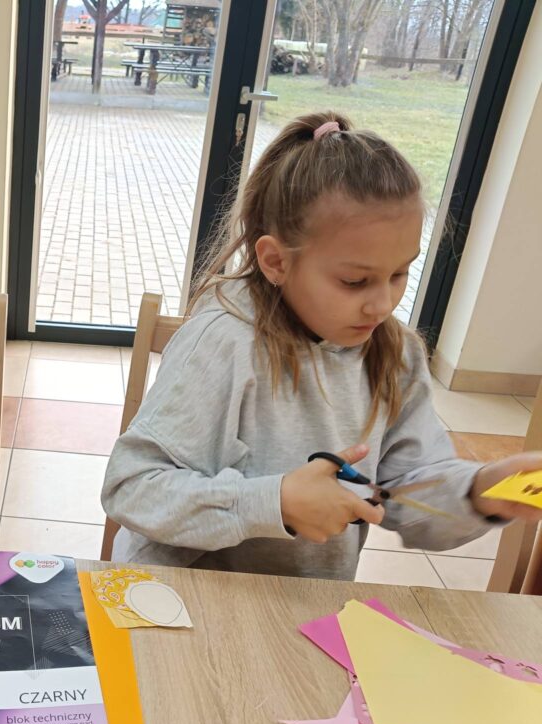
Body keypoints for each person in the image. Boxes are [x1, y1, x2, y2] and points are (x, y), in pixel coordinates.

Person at [101, 112, 542, 578]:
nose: (383, 304)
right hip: (179, 595)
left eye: (399, 273)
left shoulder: (396, 357)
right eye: (354, 281)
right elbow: (132, 487)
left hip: (303, 603)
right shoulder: (223, 341)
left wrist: (479, 491)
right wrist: (273, 503)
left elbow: (405, 496)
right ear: (275, 262)